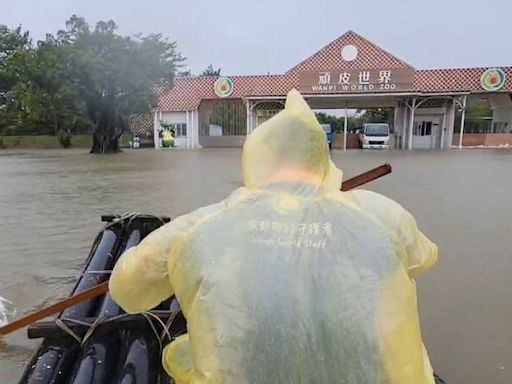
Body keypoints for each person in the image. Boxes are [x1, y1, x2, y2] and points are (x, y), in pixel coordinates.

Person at [109, 89, 438, 384]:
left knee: (179, 352)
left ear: (258, 158)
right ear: (320, 159)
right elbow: (423, 259)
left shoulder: (202, 224)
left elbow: (127, 291)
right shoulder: (381, 214)